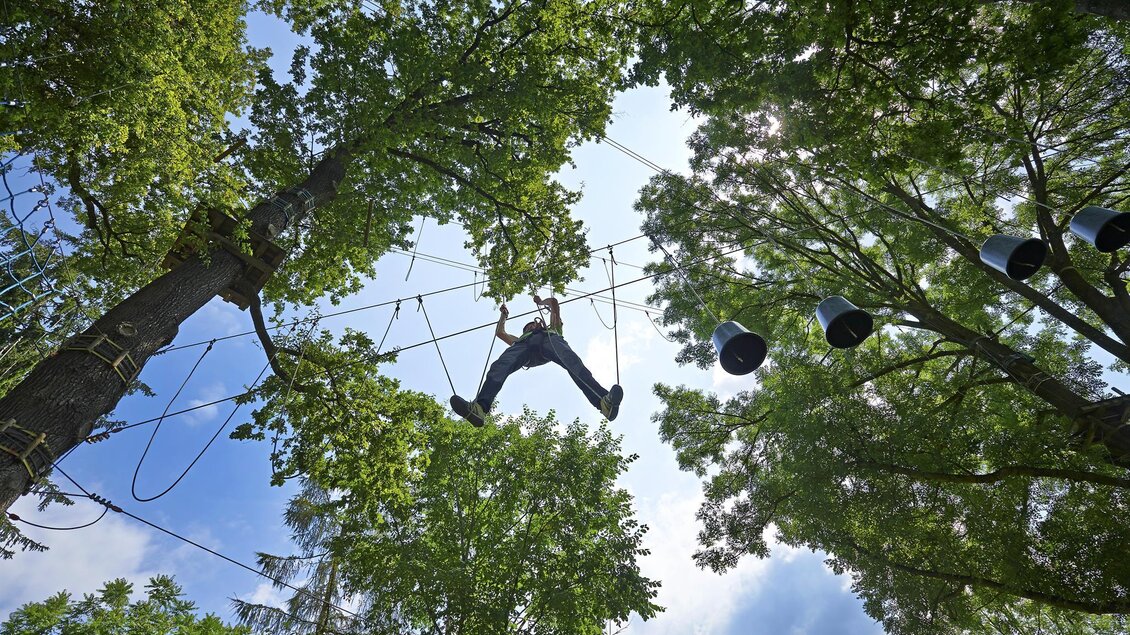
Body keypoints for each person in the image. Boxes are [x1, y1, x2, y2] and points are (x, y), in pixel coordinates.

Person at [450, 295, 623, 427]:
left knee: (572, 363)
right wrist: (504, 316)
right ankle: (480, 408)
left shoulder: (554, 328)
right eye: (528, 327)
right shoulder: (520, 339)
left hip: (550, 341)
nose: (532, 326)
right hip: (525, 349)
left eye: (533, 325)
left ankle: (603, 402)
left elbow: (554, 303)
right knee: (500, 366)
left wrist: (541, 303)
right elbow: (501, 333)